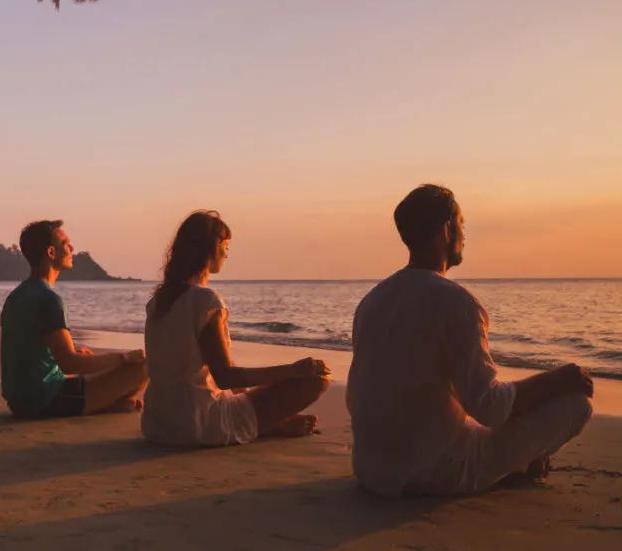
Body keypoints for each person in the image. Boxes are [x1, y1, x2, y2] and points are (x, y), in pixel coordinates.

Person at [346, 185, 594, 496]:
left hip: (372, 468)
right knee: (576, 404)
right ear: (447, 230)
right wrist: (558, 378)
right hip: (433, 471)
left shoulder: (373, 299)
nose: (465, 233)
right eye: (462, 224)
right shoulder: (456, 302)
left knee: (475, 419)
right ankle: (518, 465)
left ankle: (524, 462)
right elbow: (488, 407)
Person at [141, 210, 330, 447]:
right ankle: (267, 425)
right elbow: (225, 377)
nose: (227, 255)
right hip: (197, 425)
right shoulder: (205, 301)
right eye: (226, 246)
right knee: (318, 379)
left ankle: (270, 422)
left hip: (157, 423)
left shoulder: (159, 301)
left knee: (246, 394)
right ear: (213, 247)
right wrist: (292, 370)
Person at [0, 219, 148, 419]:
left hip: (19, 401)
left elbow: (28, 347)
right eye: (65, 244)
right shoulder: (49, 299)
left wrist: (79, 353)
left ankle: (107, 403)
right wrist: (123, 358)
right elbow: (70, 365)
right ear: (51, 253)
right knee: (143, 366)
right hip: (45, 400)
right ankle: (102, 404)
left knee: (89, 358)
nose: (72, 248)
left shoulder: (17, 296)